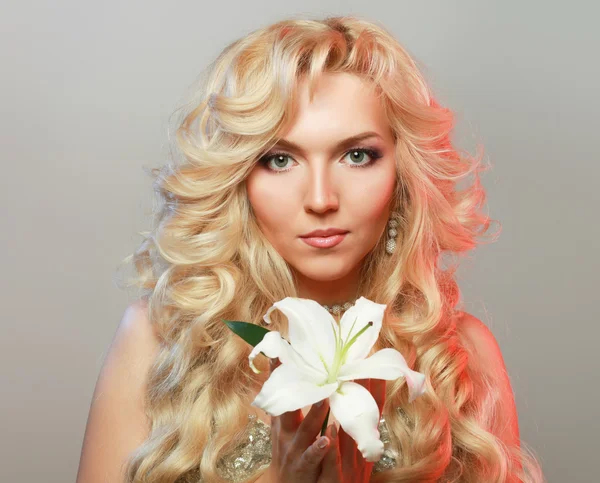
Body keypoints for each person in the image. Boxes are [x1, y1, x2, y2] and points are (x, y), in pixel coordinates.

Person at [76, 15, 544, 483]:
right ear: (239, 178)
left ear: (403, 172)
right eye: (280, 160)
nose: (321, 199)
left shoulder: (458, 354)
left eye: (357, 155)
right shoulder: (160, 342)